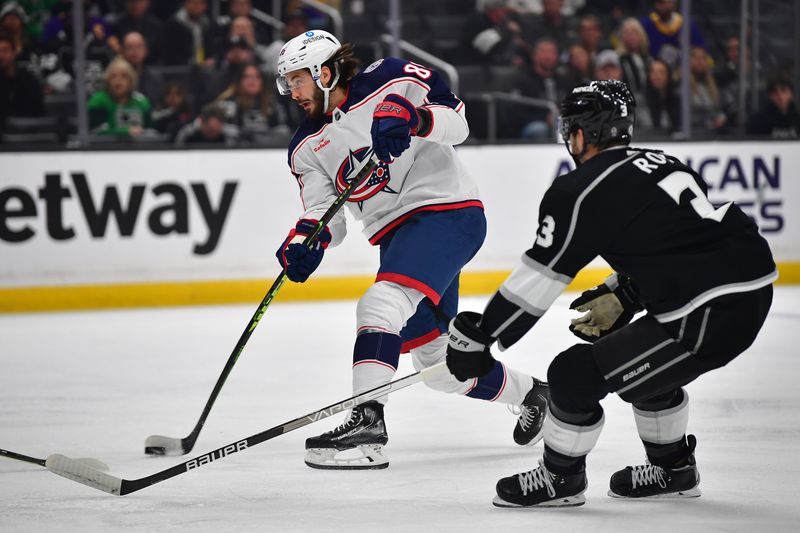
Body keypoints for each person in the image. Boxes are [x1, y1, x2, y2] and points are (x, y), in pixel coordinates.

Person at [445, 79, 777, 507]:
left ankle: (560, 479)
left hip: (706, 310)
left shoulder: (579, 189)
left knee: (572, 375)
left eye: (570, 127)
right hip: (746, 291)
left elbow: (541, 278)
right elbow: (684, 244)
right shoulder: (663, 162)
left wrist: (484, 334)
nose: (567, 137)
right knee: (650, 374)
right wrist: (628, 294)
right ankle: (673, 469)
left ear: (584, 132)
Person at [275, 29, 549, 470]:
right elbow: (325, 211)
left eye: (298, 80)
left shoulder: (392, 77)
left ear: (325, 73)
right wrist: (307, 240)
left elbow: (458, 123)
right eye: (287, 83)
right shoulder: (305, 146)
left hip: (447, 211)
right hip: (398, 237)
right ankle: (536, 395)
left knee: (379, 305)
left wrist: (415, 118)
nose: (292, 92)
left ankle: (367, 425)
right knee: (439, 367)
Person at [215, 62, 290, 142]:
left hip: (267, 150)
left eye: (257, 77)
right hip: (233, 151)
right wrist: (244, 135)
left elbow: (284, 130)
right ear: (239, 81)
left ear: (262, 81)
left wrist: (260, 138)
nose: (252, 80)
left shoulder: (272, 103)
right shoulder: (227, 103)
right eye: (247, 77)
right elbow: (218, 129)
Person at [87, 57, 152, 136]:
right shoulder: (98, 101)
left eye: (124, 76)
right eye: (113, 76)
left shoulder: (141, 102)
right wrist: (124, 132)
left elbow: (150, 130)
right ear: (107, 80)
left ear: (131, 80)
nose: (118, 80)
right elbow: (93, 132)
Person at [0, 31, 44, 132]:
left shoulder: (29, 81)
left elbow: (38, 114)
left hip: (29, 136)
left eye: (5, 50)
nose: (0, 56)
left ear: (14, 53)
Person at [746, 74, 800, 139]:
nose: (780, 96)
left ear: (791, 94)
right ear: (770, 96)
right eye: (775, 92)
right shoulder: (758, 121)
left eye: (784, 90)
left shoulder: (797, 119)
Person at [120, 31, 163, 105]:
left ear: (146, 50)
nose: (134, 51)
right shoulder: (115, 78)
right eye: (130, 47)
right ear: (122, 51)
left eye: (139, 46)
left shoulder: (155, 78)